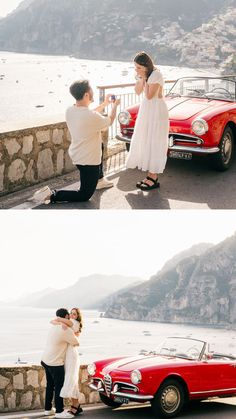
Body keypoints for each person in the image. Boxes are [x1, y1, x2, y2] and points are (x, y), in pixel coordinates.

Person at [32, 80, 120, 204]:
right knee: (84, 194)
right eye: (91, 90)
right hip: (89, 161)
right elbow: (110, 120)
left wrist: (105, 104)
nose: (92, 91)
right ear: (86, 95)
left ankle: (99, 180)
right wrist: (115, 105)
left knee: (99, 146)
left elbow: (91, 114)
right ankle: (51, 195)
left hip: (78, 155)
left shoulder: (70, 110)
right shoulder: (90, 117)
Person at [126, 51, 169, 190]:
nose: (136, 70)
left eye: (138, 67)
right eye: (135, 67)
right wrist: (141, 78)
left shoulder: (156, 74)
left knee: (155, 141)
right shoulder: (144, 74)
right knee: (146, 139)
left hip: (156, 110)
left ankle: (154, 177)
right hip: (147, 110)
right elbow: (138, 91)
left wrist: (144, 78)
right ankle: (150, 175)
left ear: (146, 65)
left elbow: (150, 96)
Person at [41, 308, 80, 419]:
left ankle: (48, 409)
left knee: (50, 385)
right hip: (55, 363)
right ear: (67, 316)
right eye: (69, 315)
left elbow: (54, 321)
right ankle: (59, 411)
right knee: (59, 386)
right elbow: (76, 342)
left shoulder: (54, 326)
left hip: (45, 360)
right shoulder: (66, 330)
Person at [52, 308, 83, 417]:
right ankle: (76, 405)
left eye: (74, 314)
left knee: (71, 380)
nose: (72, 315)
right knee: (71, 380)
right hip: (68, 355)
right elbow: (52, 321)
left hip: (72, 356)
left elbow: (54, 321)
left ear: (77, 316)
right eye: (71, 313)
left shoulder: (74, 322)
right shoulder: (68, 323)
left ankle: (75, 406)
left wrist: (60, 321)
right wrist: (61, 322)